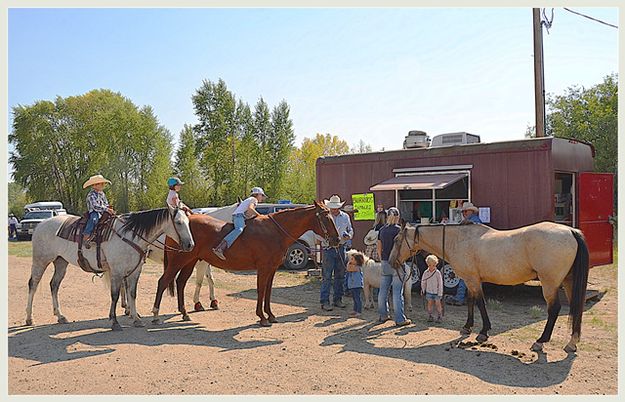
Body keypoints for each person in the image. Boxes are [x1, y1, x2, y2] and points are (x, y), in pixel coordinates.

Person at [377, 207, 411, 327]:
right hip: (397, 263)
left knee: (383, 291)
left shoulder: (382, 230)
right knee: (397, 292)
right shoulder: (399, 230)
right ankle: (400, 319)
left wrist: (382, 260)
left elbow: (379, 247)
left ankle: (383, 315)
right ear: (397, 217)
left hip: (385, 262)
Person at [212, 187, 267, 260]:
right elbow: (250, 209)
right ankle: (221, 248)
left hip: (239, 216)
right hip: (239, 216)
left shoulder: (249, 199)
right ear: (257, 194)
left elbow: (248, 213)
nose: (262, 198)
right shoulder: (254, 200)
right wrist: (260, 215)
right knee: (239, 229)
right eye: (262, 195)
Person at [446, 201, 483, 306]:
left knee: (465, 276)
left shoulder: (472, 222)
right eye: (463, 212)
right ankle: (476, 299)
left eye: (465, 211)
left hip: (472, 253)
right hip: (477, 253)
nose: (464, 213)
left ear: (471, 211)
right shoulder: (475, 221)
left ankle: (460, 298)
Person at [320, 195, 353, 311]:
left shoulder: (345, 217)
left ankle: (337, 299)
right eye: (332, 208)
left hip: (341, 247)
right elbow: (318, 234)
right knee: (327, 277)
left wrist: (349, 236)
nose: (334, 209)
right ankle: (325, 301)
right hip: (328, 249)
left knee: (340, 276)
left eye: (336, 207)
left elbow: (350, 230)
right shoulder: (325, 217)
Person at [82, 174, 115, 247]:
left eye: (103, 183)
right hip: (95, 211)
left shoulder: (102, 194)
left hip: (103, 211)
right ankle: (86, 236)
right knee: (94, 219)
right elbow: (95, 206)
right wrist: (106, 209)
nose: (103, 185)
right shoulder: (91, 195)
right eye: (101, 184)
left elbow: (105, 203)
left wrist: (109, 209)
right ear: (95, 185)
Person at [421, 254, 444, 322]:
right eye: (429, 265)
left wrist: (440, 292)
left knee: (438, 304)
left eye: (433, 265)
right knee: (430, 303)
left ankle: (440, 315)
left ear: (436, 264)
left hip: (437, 292)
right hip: (429, 291)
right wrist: (423, 289)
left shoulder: (437, 273)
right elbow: (423, 282)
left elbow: (440, 283)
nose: (431, 267)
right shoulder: (426, 273)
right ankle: (430, 315)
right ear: (427, 265)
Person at [345, 251, 365, 318]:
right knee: (354, 298)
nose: (350, 260)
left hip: (357, 285)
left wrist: (348, 263)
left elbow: (348, 269)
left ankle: (359, 311)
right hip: (353, 285)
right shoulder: (354, 266)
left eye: (352, 259)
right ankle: (355, 310)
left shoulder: (358, 267)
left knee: (357, 298)